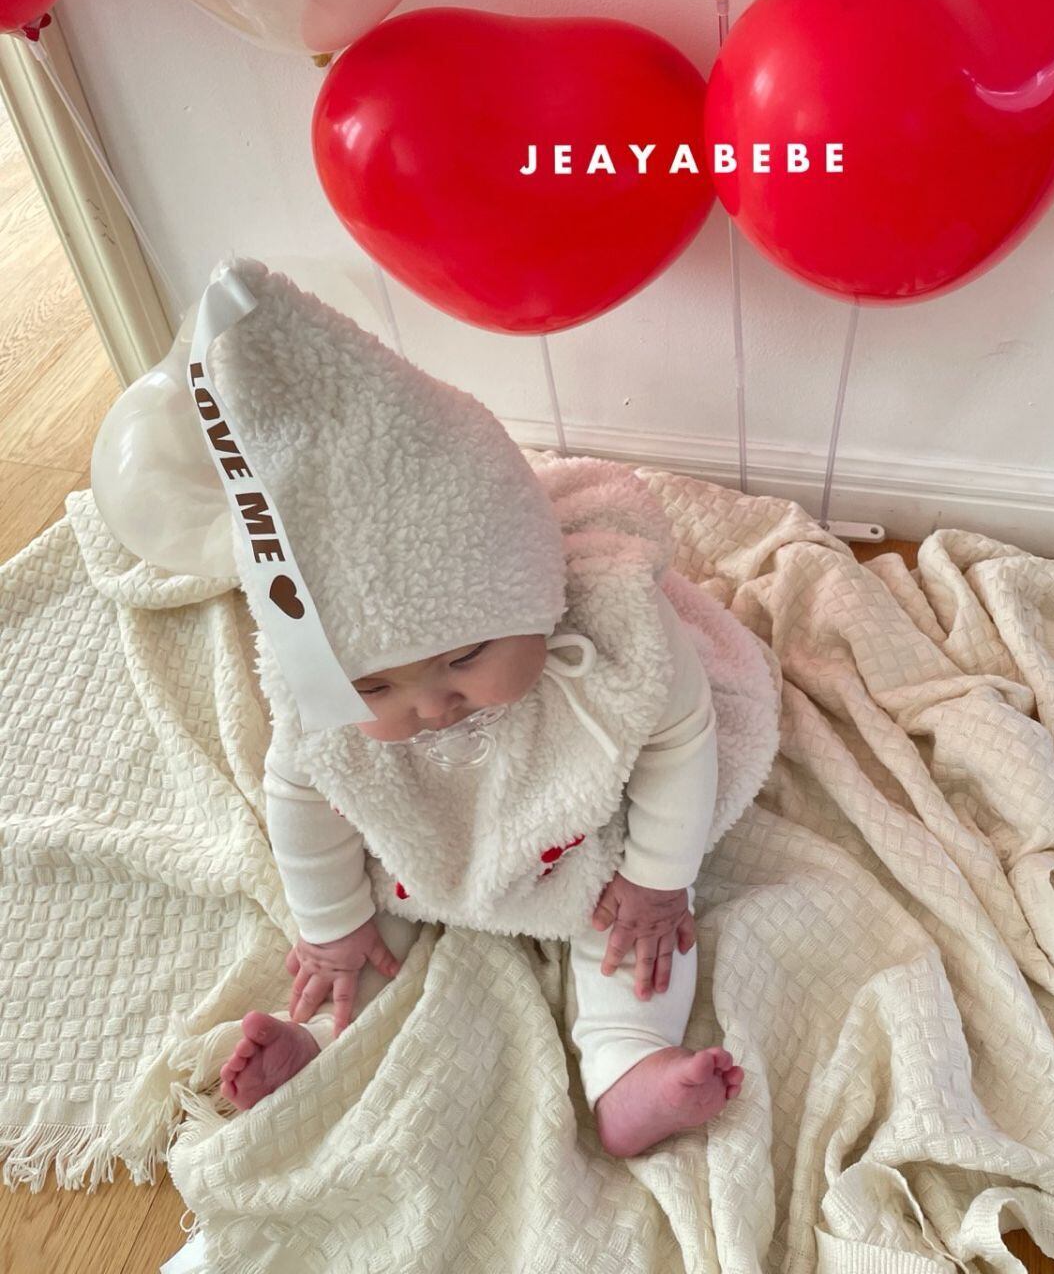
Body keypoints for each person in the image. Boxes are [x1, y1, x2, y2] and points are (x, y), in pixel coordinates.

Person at [182, 257, 779, 1158]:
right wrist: (330, 925)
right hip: (428, 833)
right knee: (361, 936)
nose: (431, 704)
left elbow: (678, 739)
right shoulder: (316, 704)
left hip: (586, 838)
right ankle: (320, 1042)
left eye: (464, 658)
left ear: (534, 591)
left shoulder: (614, 636)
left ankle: (629, 1063)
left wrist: (658, 879)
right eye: (373, 688)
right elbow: (304, 796)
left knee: (636, 934)